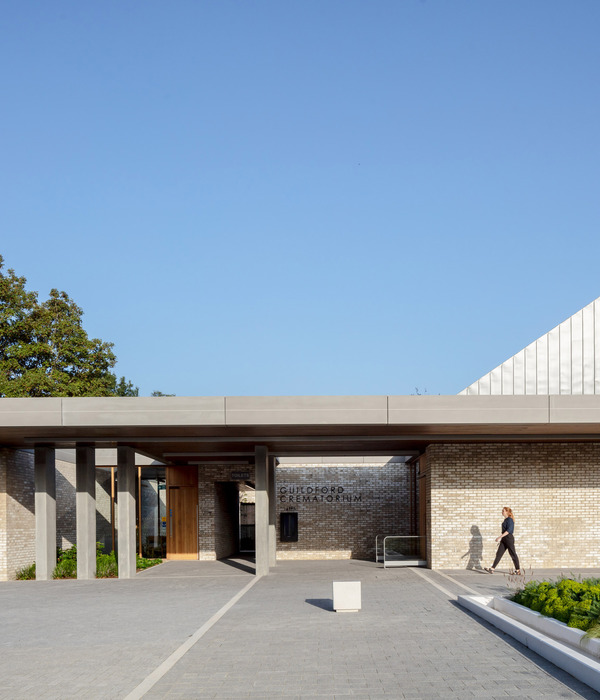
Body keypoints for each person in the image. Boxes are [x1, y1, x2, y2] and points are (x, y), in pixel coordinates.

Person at [484, 507, 521, 574]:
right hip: (504, 539)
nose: (502, 512)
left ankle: (518, 570)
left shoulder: (510, 520)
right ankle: (492, 569)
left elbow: (509, 531)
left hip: (509, 538)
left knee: (513, 554)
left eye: (503, 511)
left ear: (507, 512)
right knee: (499, 553)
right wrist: (502, 538)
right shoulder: (506, 520)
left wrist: (499, 537)